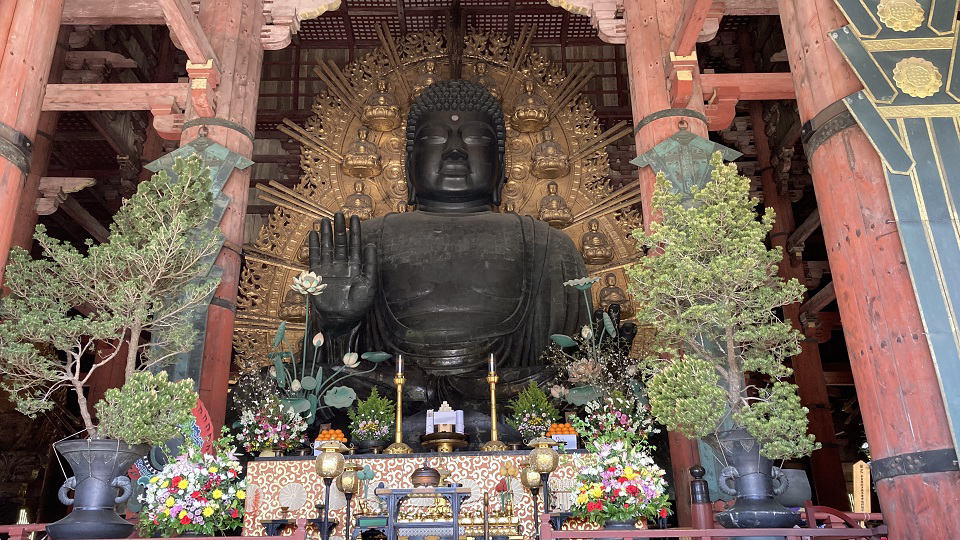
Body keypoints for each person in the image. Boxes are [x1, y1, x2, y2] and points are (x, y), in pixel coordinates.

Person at [307, 80, 589, 403]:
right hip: (388, 409)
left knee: (565, 384)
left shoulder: (550, 248)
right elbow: (318, 374)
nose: (455, 151)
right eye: (435, 139)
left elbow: (575, 368)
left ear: (501, 163)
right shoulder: (364, 243)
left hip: (514, 413)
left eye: (477, 139)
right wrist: (338, 326)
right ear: (409, 161)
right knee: (332, 384)